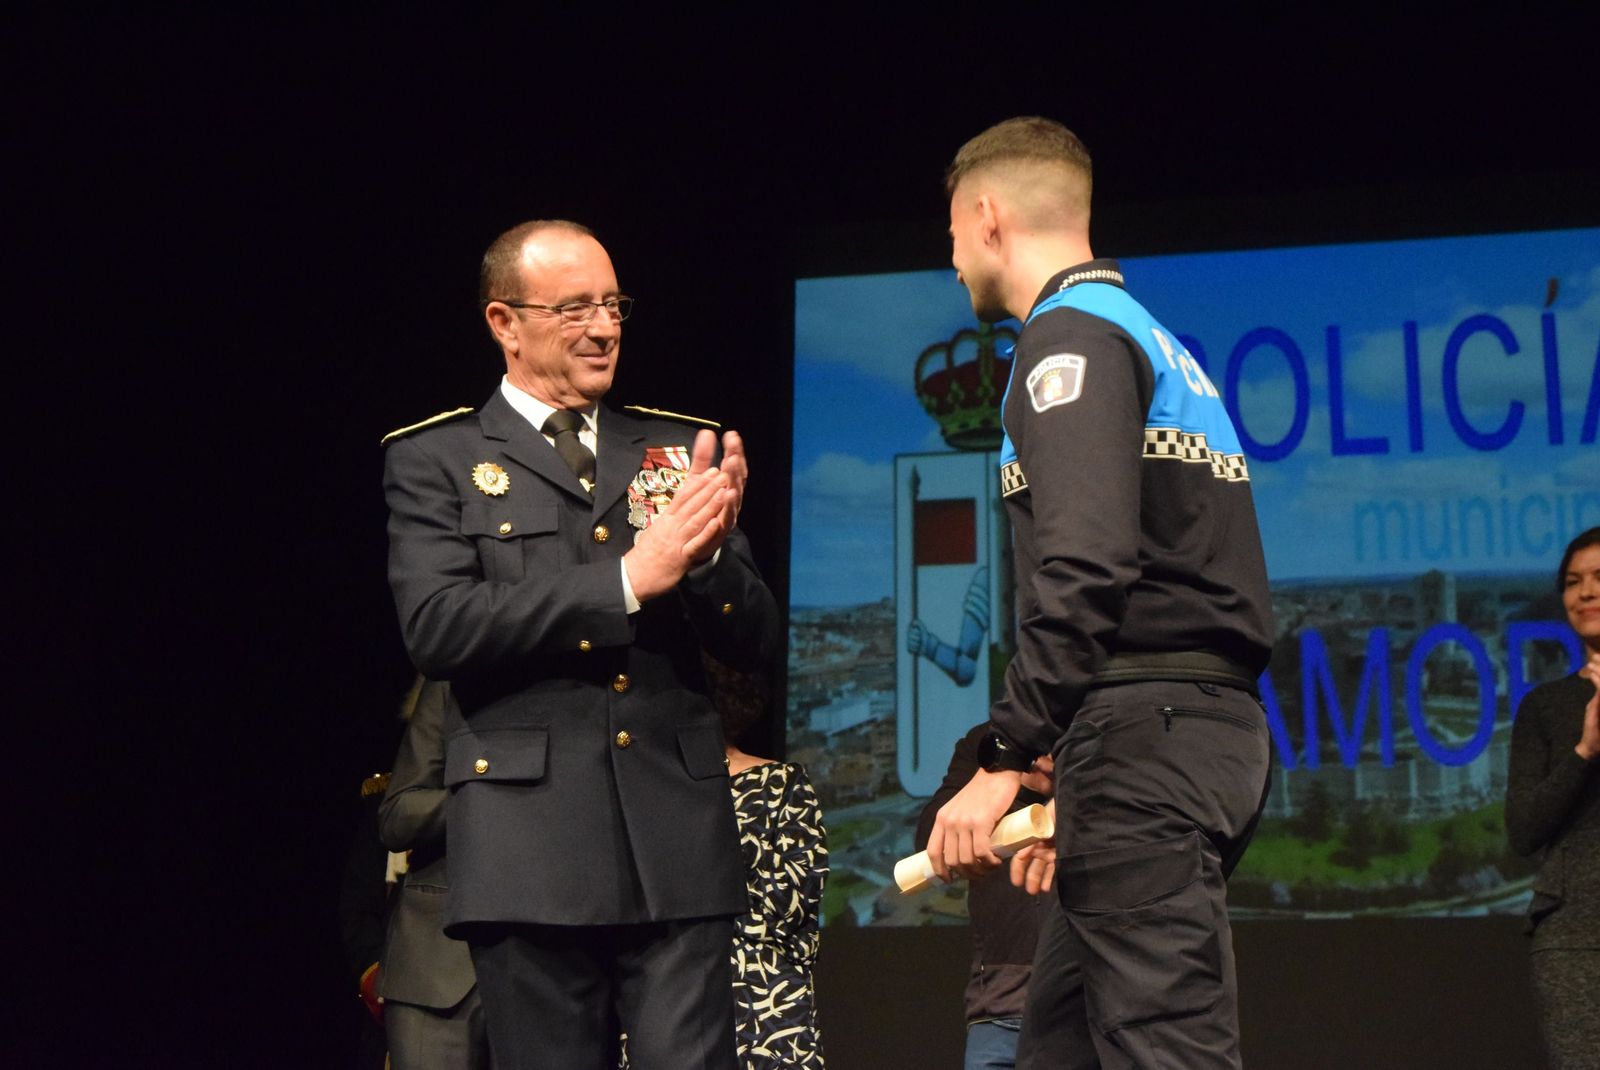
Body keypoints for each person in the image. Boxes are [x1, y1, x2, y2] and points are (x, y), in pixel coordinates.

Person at [381, 219, 779, 1070]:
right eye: (574, 310)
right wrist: (629, 579)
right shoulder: (438, 458)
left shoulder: (673, 447)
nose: (603, 328)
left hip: (674, 840)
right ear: (504, 322)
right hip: (529, 852)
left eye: (612, 305)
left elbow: (756, 644)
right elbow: (438, 624)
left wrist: (708, 565)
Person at [923, 118, 1275, 1070]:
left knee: (1170, 1053)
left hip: (1146, 736)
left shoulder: (1067, 340)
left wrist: (1005, 756)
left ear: (988, 217)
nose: (950, 258)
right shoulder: (1148, 336)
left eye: (952, 231)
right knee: (1060, 1048)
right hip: (1177, 733)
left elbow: (1086, 569)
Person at [1506, 526, 1600, 1070]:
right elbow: (1523, 830)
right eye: (1572, 582)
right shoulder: (1546, 706)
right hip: (1576, 937)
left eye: (1598, 579)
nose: (1584, 592)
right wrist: (1585, 751)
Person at [915, 723, 1053, 1070]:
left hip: (1083, 1002)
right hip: (999, 1006)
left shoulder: (1097, 733)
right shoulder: (988, 742)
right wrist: (1007, 773)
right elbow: (932, 842)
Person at [377, 677, 489, 1069]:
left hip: (554, 967)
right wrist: (487, 794)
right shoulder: (450, 681)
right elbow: (397, 816)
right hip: (437, 964)